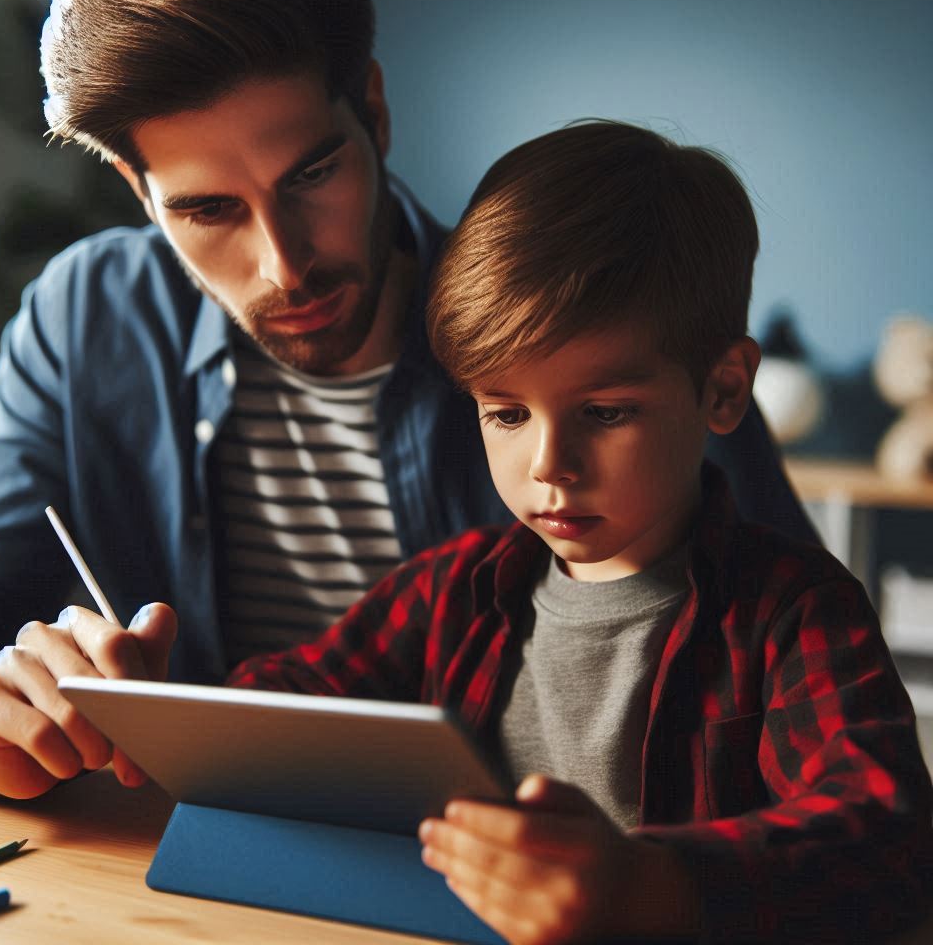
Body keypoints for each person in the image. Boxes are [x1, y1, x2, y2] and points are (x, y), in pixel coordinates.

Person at [0, 0, 812, 800]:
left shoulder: (582, 332)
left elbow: (804, 676)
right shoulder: (89, 316)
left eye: (309, 175)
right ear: (137, 192)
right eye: (208, 211)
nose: (284, 263)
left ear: (373, 110)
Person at [225, 121, 932, 944]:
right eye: (507, 413)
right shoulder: (449, 591)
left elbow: (890, 837)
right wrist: (145, 698)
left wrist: (661, 888)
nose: (549, 463)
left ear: (724, 390)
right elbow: (283, 705)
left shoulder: (794, 611)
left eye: (605, 413)